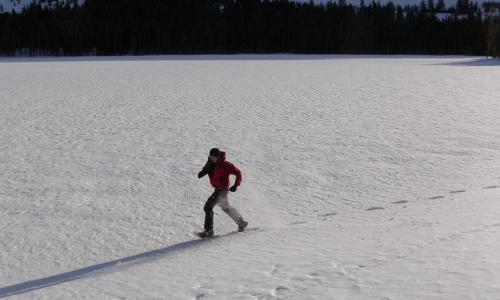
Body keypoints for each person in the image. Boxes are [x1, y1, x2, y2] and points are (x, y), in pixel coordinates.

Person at [197, 148, 248, 238]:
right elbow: (207, 168)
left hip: (222, 190)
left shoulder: (226, 165)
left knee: (208, 207)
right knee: (226, 208)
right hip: (217, 189)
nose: (211, 158)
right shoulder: (210, 161)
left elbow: (238, 173)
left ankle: (209, 231)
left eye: (213, 157)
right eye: (210, 156)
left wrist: (235, 185)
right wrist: (202, 173)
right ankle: (241, 223)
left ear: (217, 156)